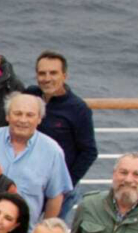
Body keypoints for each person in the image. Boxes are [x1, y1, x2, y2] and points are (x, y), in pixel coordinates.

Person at [26, 51, 98, 220]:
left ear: (64, 76)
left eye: (53, 73)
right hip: (30, 183)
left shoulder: (78, 109)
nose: (47, 78)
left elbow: (89, 152)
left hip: (58, 191)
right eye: (42, 73)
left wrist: (66, 184)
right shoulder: (30, 95)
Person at [0, 93, 73, 227]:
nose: (23, 120)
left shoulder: (52, 151)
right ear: (7, 116)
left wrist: (44, 231)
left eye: (30, 115)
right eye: (17, 114)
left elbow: (55, 197)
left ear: (39, 119)